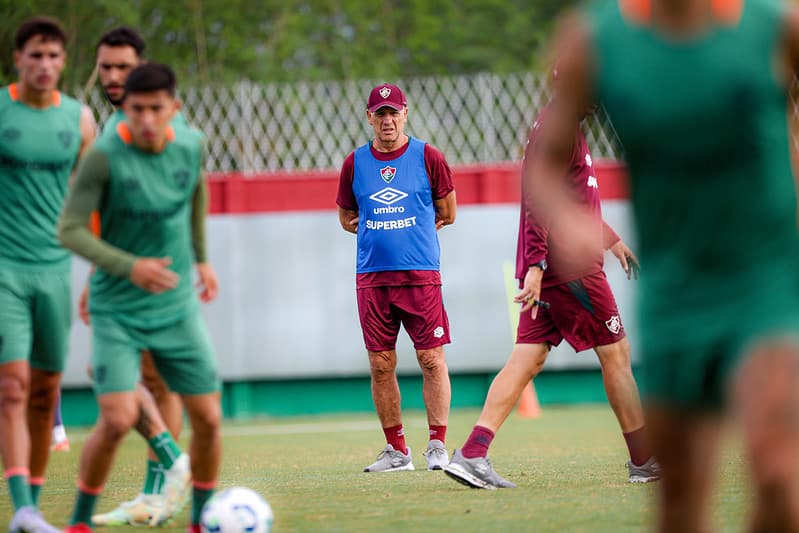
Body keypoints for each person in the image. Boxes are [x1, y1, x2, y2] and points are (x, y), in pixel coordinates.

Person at [527, 0, 799, 530]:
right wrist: (568, 220)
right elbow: (542, 160)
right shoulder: (594, 41)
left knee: (781, 479)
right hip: (675, 290)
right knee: (681, 502)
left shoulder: (775, 26)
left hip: (765, 277)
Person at [443, 88, 659, 489]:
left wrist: (609, 239)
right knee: (617, 354)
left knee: (527, 358)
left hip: (557, 265)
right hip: (569, 268)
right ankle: (644, 460)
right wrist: (538, 265)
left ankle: (473, 452)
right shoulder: (557, 133)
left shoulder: (564, 128)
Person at [58, 63, 222, 533]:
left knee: (209, 417)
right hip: (118, 309)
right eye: (136, 110)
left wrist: (202, 258)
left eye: (156, 108)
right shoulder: (104, 155)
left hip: (176, 307)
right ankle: (79, 523)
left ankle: (200, 522)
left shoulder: (191, 144)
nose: (147, 119)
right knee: (116, 418)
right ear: (124, 110)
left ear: (175, 108)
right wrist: (131, 267)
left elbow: (196, 194)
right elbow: (69, 230)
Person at [82, 26, 191, 527]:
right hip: (122, 270)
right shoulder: (113, 128)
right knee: (136, 378)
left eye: (123, 67)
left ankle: (166, 479)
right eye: (105, 67)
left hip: (155, 272)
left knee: (146, 379)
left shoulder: (158, 126)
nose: (112, 76)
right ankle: (161, 486)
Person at [0, 16, 96, 533]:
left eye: (54, 56)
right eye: (35, 55)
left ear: (63, 62)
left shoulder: (79, 122)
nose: (44, 65)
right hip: (4, 269)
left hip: (54, 271)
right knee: (12, 386)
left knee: (44, 390)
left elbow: (96, 195)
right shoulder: (0, 110)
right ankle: (23, 506)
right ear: (19, 59)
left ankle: (28, 510)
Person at [336, 83, 457, 472]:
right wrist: (378, 230)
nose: (387, 120)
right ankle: (397, 451)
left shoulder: (428, 157)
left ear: (405, 114)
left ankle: (437, 444)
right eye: (380, 114)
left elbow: (448, 211)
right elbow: (346, 216)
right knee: (381, 364)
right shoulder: (354, 163)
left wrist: (412, 233)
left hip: (420, 276)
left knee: (431, 359)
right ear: (369, 118)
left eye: (394, 113)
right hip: (372, 278)